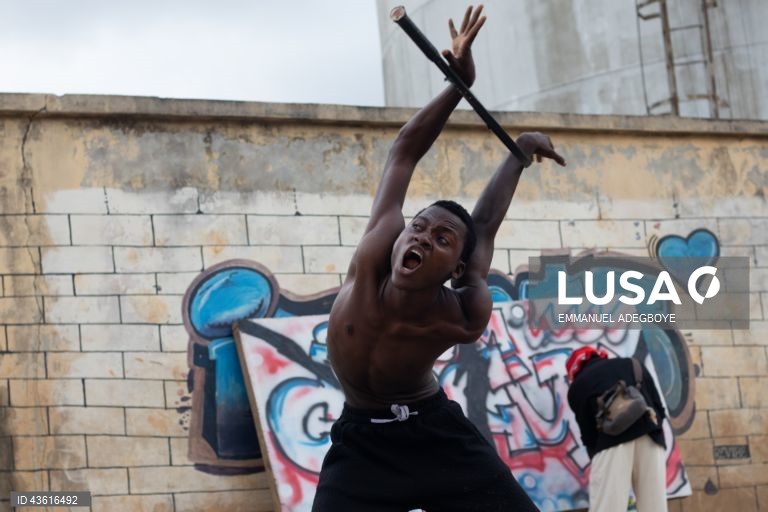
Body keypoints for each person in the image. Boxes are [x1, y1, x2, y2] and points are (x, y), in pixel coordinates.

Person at [312, 5, 566, 511]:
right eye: (420, 227)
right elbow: (403, 152)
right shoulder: (374, 255)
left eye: (442, 239)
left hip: (436, 435)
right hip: (362, 444)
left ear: (455, 269)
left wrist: (519, 154)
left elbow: (484, 227)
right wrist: (458, 84)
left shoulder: (462, 311)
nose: (422, 238)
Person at [565, 346, 668, 512]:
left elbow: (589, 435)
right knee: (654, 507)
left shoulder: (578, 386)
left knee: (608, 507)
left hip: (612, 443)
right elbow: (659, 408)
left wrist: (598, 459)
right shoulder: (632, 363)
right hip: (651, 437)